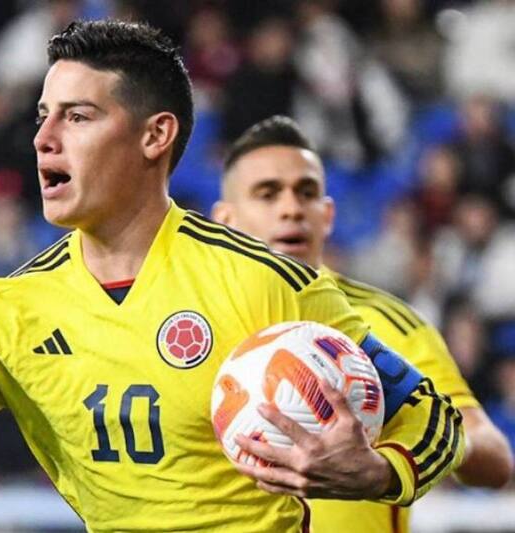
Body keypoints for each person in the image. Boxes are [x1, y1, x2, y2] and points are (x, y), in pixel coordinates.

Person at [0, 21, 462, 532]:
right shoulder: (5, 312)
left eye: (78, 116)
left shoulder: (267, 282)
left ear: (155, 136)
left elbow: (433, 419)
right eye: (41, 117)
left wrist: (383, 473)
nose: (42, 138)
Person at [212, 115, 513, 533]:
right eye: (267, 194)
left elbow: (495, 461)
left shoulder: (388, 324)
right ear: (225, 219)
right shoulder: (192, 326)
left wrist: (391, 458)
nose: (291, 208)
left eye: (307, 193)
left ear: (328, 214)